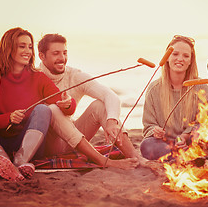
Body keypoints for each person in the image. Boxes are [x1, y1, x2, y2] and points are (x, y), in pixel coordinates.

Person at [0, 27, 76, 181]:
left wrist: (67, 103)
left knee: (43, 110)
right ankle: (2, 161)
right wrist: (9, 118)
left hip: (28, 147)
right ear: (9, 48)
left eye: (29, 47)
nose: (28, 51)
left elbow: (67, 104)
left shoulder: (38, 78)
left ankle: (20, 161)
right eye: (22, 46)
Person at [37, 34, 144, 169]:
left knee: (100, 105)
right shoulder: (33, 76)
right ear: (42, 56)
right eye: (56, 53)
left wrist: (112, 121)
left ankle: (136, 158)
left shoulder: (74, 75)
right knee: (53, 110)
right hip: (46, 145)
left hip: (72, 142)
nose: (62, 58)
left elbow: (110, 95)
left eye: (64, 53)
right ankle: (103, 161)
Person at [140, 35, 208, 160]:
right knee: (146, 146)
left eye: (186, 56)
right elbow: (148, 126)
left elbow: (203, 122)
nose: (180, 59)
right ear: (167, 58)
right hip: (165, 144)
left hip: (190, 142)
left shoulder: (200, 86)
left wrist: (186, 135)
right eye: (175, 54)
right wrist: (155, 131)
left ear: (190, 61)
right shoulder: (154, 89)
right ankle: (178, 156)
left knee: (202, 138)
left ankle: (184, 156)